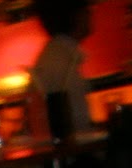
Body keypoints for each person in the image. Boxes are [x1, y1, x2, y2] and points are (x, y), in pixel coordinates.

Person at [30, 0, 95, 136]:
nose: (91, 12)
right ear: (76, 16)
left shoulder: (56, 55)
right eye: (86, 8)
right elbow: (79, 126)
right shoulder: (63, 63)